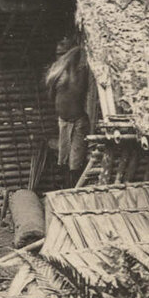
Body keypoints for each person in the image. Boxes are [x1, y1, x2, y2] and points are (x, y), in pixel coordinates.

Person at [44, 34, 97, 185]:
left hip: (77, 122)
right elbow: (52, 96)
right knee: (64, 159)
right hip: (63, 122)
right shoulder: (57, 74)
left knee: (75, 162)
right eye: (57, 54)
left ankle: (74, 188)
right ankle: (67, 186)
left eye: (62, 54)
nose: (59, 57)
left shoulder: (80, 72)